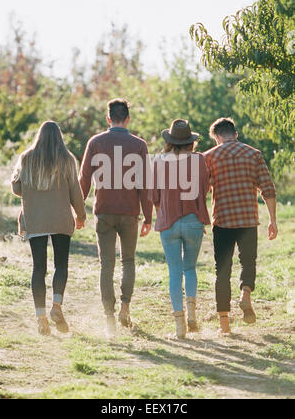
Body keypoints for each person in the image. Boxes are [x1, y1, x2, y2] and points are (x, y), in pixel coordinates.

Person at [79, 99, 153, 337]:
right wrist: (148, 217)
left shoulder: (96, 142)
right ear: (128, 119)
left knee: (106, 265)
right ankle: (125, 307)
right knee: (128, 261)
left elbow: (84, 179)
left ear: (108, 118)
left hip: (104, 211)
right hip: (130, 212)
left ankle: (108, 317)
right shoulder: (139, 145)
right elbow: (145, 185)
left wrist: (79, 210)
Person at [11, 121, 86, 336]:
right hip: (61, 219)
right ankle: (57, 306)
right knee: (60, 265)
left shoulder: (26, 158)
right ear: (59, 137)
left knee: (38, 269)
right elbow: (75, 192)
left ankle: (40, 317)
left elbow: (17, 188)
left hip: (35, 219)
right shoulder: (67, 159)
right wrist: (80, 216)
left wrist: (33, 188)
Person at [204, 118, 278, 335]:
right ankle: (245, 294)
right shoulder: (253, 154)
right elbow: (268, 189)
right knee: (248, 262)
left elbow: (201, 191)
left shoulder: (209, 157)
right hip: (247, 220)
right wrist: (273, 220)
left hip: (223, 220)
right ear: (235, 134)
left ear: (217, 137)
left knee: (222, 271)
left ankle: (224, 325)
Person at [150, 119, 210, 339]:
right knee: (190, 268)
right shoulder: (200, 161)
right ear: (191, 143)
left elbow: (154, 197)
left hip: (169, 222)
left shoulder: (159, 161)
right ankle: (193, 314)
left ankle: (179, 326)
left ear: (170, 141)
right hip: (194, 220)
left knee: (174, 272)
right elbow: (204, 190)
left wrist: (163, 211)